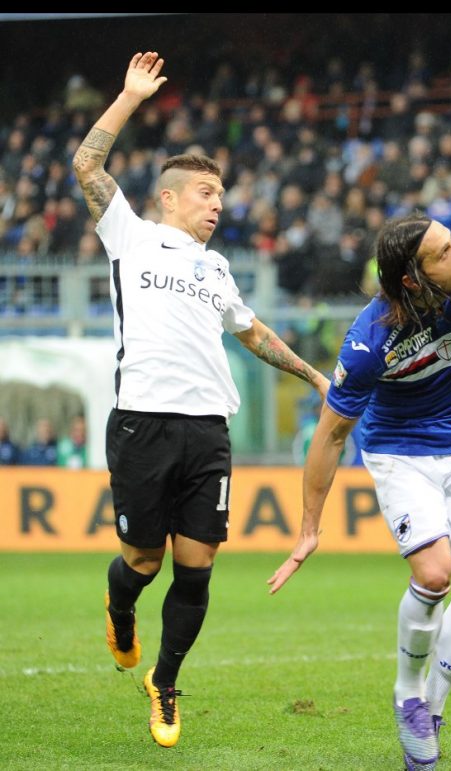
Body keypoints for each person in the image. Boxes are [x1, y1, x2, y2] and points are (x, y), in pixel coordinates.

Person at [73, 53, 328, 749]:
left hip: (208, 431)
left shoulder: (217, 269)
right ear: (171, 197)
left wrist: (313, 375)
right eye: (207, 195)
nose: (218, 205)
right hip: (143, 424)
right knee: (143, 561)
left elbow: (252, 332)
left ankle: (165, 680)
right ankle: (119, 607)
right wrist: (127, 98)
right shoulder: (131, 236)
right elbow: (88, 169)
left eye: (221, 196)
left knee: (197, 566)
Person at [267, 212, 451, 770]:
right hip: (402, 452)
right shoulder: (370, 341)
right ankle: (407, 692)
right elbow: (331, 436)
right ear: (412, 278)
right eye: (444, 251)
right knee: (434, 574)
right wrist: (309, 529)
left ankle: (431, 706)